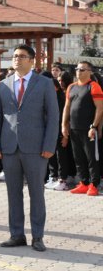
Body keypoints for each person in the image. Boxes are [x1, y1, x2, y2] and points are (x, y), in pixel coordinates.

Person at [0, 44, 59, 252]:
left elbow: (53, 116)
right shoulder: (3, 84)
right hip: (10, 147)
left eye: (21, 56)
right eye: (15, 56)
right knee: (13, 193)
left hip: (36, 148)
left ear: (32, 60)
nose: (17, 59)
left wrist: (49, 145)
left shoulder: (45, 83)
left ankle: (37, 236)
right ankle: (16, 235)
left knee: (36, 193)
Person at [61, 61, 102, 196]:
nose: (79, 71)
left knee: (92, 158)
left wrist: (94, 126)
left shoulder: (93, 86)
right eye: (77, 69)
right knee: (78, 157)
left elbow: (100, 108)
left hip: (89, 129)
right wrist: (64, 125)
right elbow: (67, 108)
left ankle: (94, 184)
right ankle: (84, 183)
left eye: (82, 69)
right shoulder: (71, 87)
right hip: (74, 128)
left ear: (90, 72)